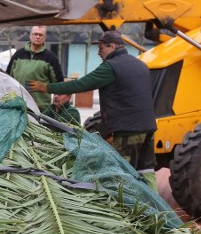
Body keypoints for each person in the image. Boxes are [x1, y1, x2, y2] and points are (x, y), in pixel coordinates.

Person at [28, 30, 157, 191]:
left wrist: (46, 87)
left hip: (127, 129)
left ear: (112, 46)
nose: (98, 53)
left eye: (101, 48)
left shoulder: (110, 67)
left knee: (123, 173)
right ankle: (158, 209)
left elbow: (80, 85)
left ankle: (127, 211)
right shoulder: (140, 65)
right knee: (146, 170)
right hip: (149, 126)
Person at [6, 25, 64, 112]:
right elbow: (7, 78)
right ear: (30, 36)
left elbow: (59, 84)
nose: (37, 37)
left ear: (44, 38)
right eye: (35, 34)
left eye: (41, 35)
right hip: (17, 104)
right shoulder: (18, 55)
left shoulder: (51, 58)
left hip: (40, 107)